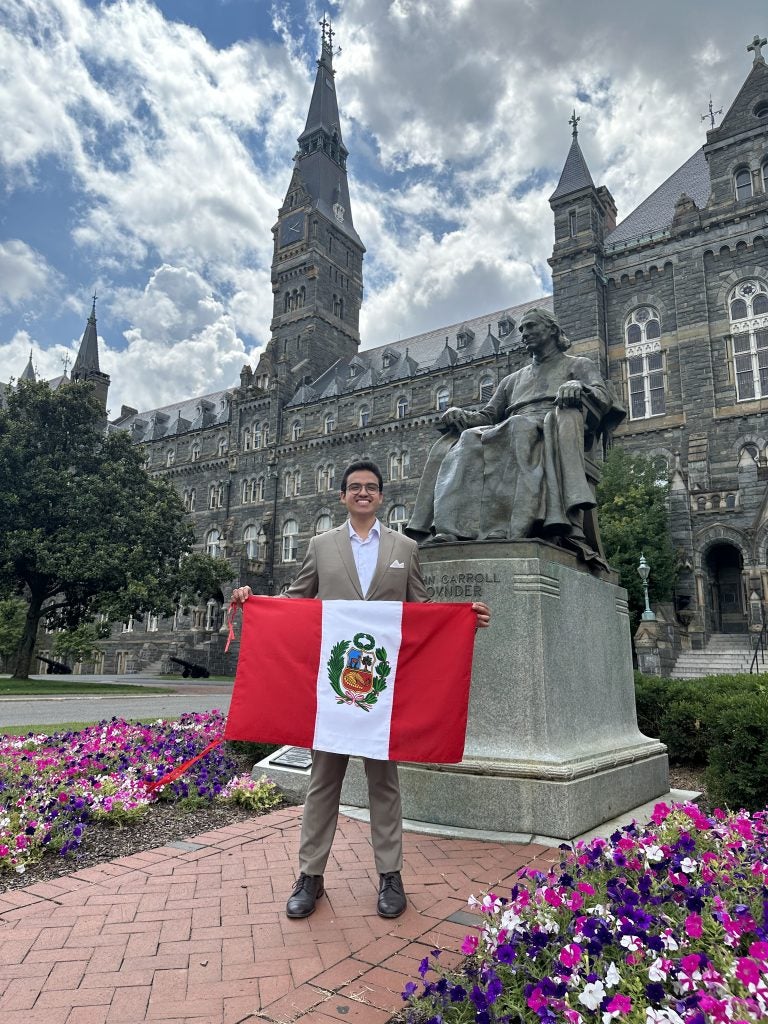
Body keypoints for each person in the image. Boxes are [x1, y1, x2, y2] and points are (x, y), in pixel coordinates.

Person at [231, 459, 490, 920]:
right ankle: (310, 876)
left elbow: (422, 610)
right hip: (333, 693)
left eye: (371, 487)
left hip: (381, 696)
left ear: (381, 496)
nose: (363, 493)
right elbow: (297, 602)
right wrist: (257, 604)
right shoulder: (321, 545)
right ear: (343, 496)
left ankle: (390, 876)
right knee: (322, 783)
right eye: (355, 488)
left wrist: (464, 620)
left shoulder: (405, 548)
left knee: (384, 785)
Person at [405, 308, 625, 564]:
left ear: (552, 329)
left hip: (550, 426)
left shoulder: (577, 365)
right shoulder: (512, 380)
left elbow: (603, 396)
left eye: (530, 326)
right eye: (521, 329)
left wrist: (578, 386)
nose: (524, 333)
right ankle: (452, 529)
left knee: (518, 428)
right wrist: (459, 414)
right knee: (467, 439)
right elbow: (487, 416)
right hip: (512, 428)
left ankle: (515, 527)